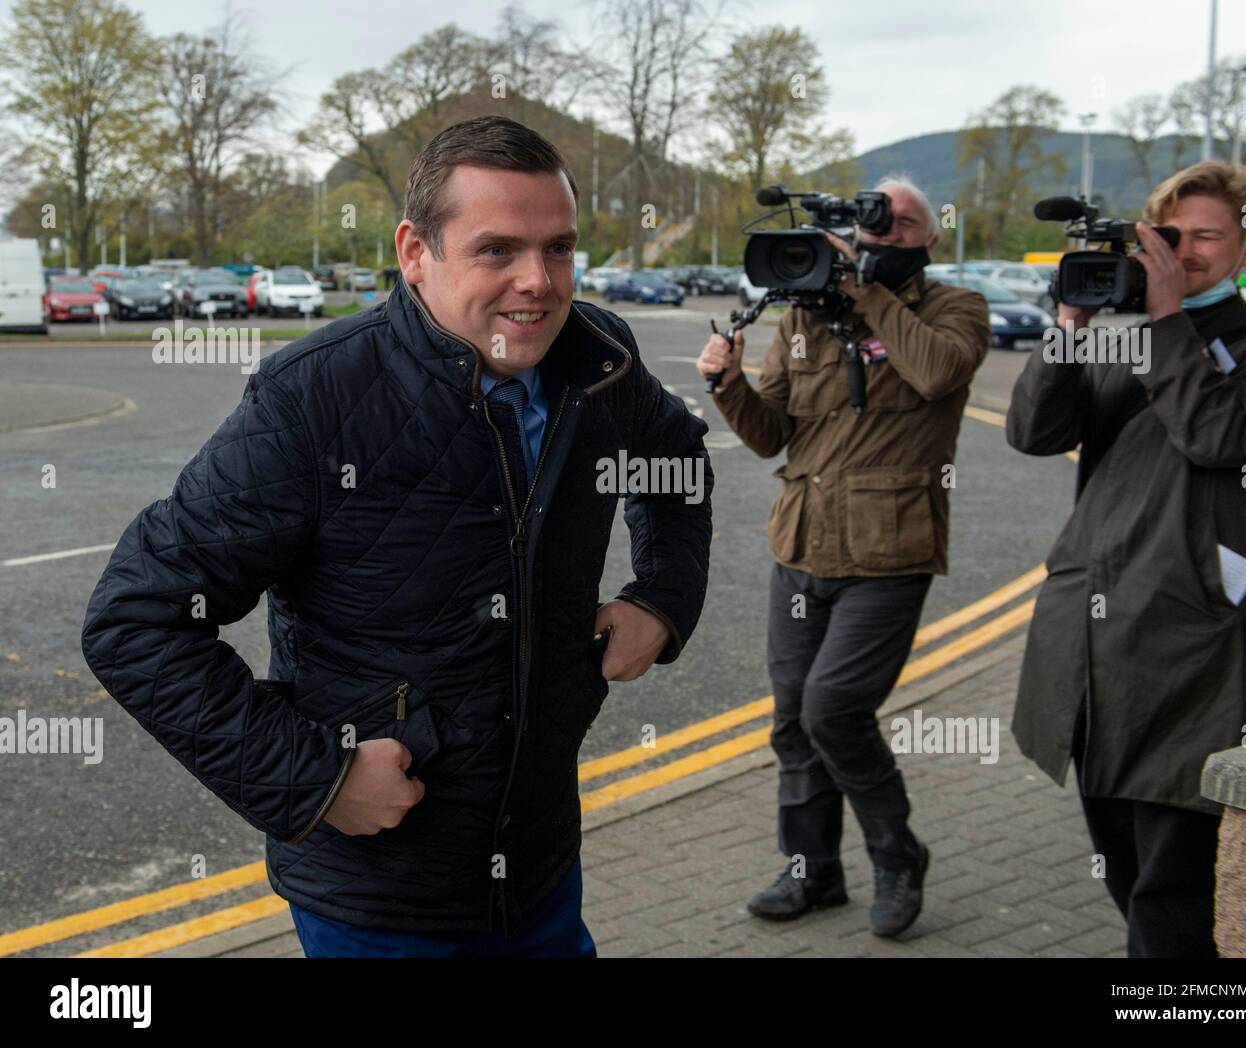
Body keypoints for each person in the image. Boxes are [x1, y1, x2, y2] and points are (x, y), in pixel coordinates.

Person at [81, 115, 713, 958]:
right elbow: (136, 621)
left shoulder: (598, 361)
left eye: (558, 249)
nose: (538, 282)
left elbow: (677, 458)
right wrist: (320, 777)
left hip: (540, 867)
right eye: (498, 251)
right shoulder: (311, 400)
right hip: (377, 900)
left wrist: (662, 598)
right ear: (417, 252)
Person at [1006, 161, 1246, 957]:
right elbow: (1031, 434)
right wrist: (1069, 328)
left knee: (1175, 896)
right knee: (1129, 879)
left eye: (1208, 236)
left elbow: (1222, 437)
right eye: (1170, 237)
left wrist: (1167, 320)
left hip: (1190, 653)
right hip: (1096, 645)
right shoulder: (1117, 335)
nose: (1187, 252)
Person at [695, 175, 990, 936]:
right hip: (801, 547)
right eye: (873, 225)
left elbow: (936, 372)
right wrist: (727, 386)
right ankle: (813, 872)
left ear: (930, 237)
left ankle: (897, 856)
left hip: (889, 555)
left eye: (900, 226)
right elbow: (769, 435)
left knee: (835, 711)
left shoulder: (954, 308)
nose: (884, 235)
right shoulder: (802, 316)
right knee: (794, 719)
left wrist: (866, 295)